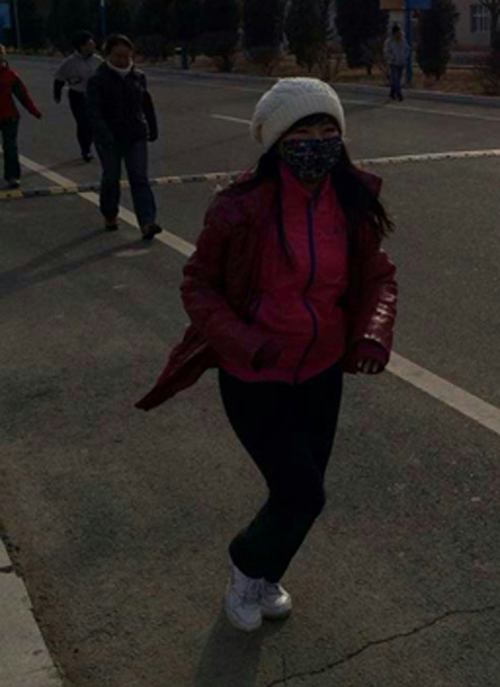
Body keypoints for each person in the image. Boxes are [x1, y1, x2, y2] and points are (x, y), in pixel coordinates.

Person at [135, 78, 398, 632]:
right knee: (302, 492)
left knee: (299, 492)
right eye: (304, 131)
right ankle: (245, 564)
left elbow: (378, 276)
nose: (318, 142)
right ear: (278, 140)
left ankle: (267, 572)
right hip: (253, 376)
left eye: (328, 130)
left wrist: (373, 332)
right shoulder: (240, 208)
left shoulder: (351, 200)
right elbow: (198, 286)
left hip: (322, 372)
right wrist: (246, 343)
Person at [87, 34, 162, 239]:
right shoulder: (98, 80)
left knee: (139, 177)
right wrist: (103, 134)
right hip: (109, 137)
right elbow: (93, 112)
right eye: (117, 55)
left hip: (135, 135)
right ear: (108, 55)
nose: (122, 60)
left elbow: (145, 103)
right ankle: (110, 214)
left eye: (126, 56)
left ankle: (147, 222)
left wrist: (152, 126)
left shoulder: (138, 76)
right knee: (111, 177)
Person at [53, 30, 103, 163]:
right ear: (81, 46)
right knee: (83, 122)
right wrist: (57, 94)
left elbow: (106, 78)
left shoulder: (98, 61)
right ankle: (85, 150)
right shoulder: (69, 62)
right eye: (89, 43)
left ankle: (97, 146)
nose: (93, 45)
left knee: (94, 122)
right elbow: (59, 79)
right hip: (78, 95)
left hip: (95, 96)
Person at [0, 44, 42, 189]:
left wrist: (34, 111)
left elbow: (23, 96)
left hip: (9, 117)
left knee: (10, 147)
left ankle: (12, 176)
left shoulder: (11, 76)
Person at [384, 24, 410, 102]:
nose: (399, 34)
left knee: (397, 79)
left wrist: (404, 57)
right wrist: (392, 58)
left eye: (400, 32)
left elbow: (407, 49)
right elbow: (386, 51)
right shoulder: (389, 42)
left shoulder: (403, 41)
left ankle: (392, 93)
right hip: (393, 63)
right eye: (398, 32)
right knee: (395, 79)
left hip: (401, 63)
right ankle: (399, 94)